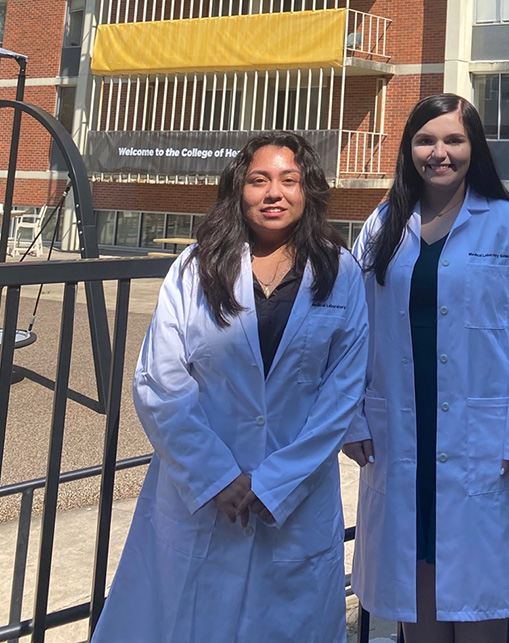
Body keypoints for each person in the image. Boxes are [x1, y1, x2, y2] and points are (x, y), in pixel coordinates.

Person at [90, 132, 368, 643]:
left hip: (294, 495)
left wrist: (278, 480)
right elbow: (160, 379)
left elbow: (342, 391)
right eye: (259, 180)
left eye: (290, 180)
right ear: (238, 188)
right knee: (187, 622)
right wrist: (216, 475)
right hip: (202, 494)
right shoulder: (196, 267)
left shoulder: (339, 271)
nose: (274, 193)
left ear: (309, 192)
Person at [344, 93, 509, 642]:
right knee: (418, 598)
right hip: (402, 433)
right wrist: (353, 417)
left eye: (454, 140)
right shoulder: (384, 224)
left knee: (483, 600)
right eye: (426, 140)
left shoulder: (507, 224)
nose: (439, 153)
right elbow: (353, 331)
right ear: (409, 149)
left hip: (486, 438)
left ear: (474, 148)